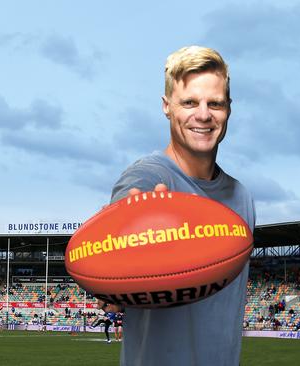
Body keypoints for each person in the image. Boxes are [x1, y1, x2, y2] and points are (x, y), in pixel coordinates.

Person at [105, 45, 255, 365]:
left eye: (214, 103)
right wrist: (128, 226)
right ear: (166, 107)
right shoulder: (149, 176)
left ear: (229, 108)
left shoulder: (242, 198)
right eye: (189, 102)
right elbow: (124, 209)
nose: (203, 114)